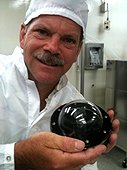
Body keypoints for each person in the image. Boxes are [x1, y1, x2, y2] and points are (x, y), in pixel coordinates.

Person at [0, 0, 119, 170]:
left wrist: (79, 162)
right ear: (23, 35)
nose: (53, 47)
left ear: (78, 51)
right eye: (42, 32)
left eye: (68, 40)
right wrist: (18, 157)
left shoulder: (78, 106)